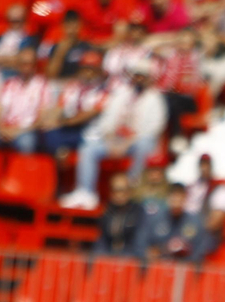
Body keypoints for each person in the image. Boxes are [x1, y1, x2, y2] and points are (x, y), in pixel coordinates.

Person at [60, 59, 166, 209]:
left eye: (143, 75)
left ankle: (132, 189)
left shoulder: (155, 98)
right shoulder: (121, 94)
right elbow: (106, 121)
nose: (139, 78)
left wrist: (126, 143)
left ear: (148, 78)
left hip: (134, 142)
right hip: (114, 140)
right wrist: (110, 140)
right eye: (137, 75)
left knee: (145, 144)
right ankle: (85, 193)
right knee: (88, 147)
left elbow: (154, 128)